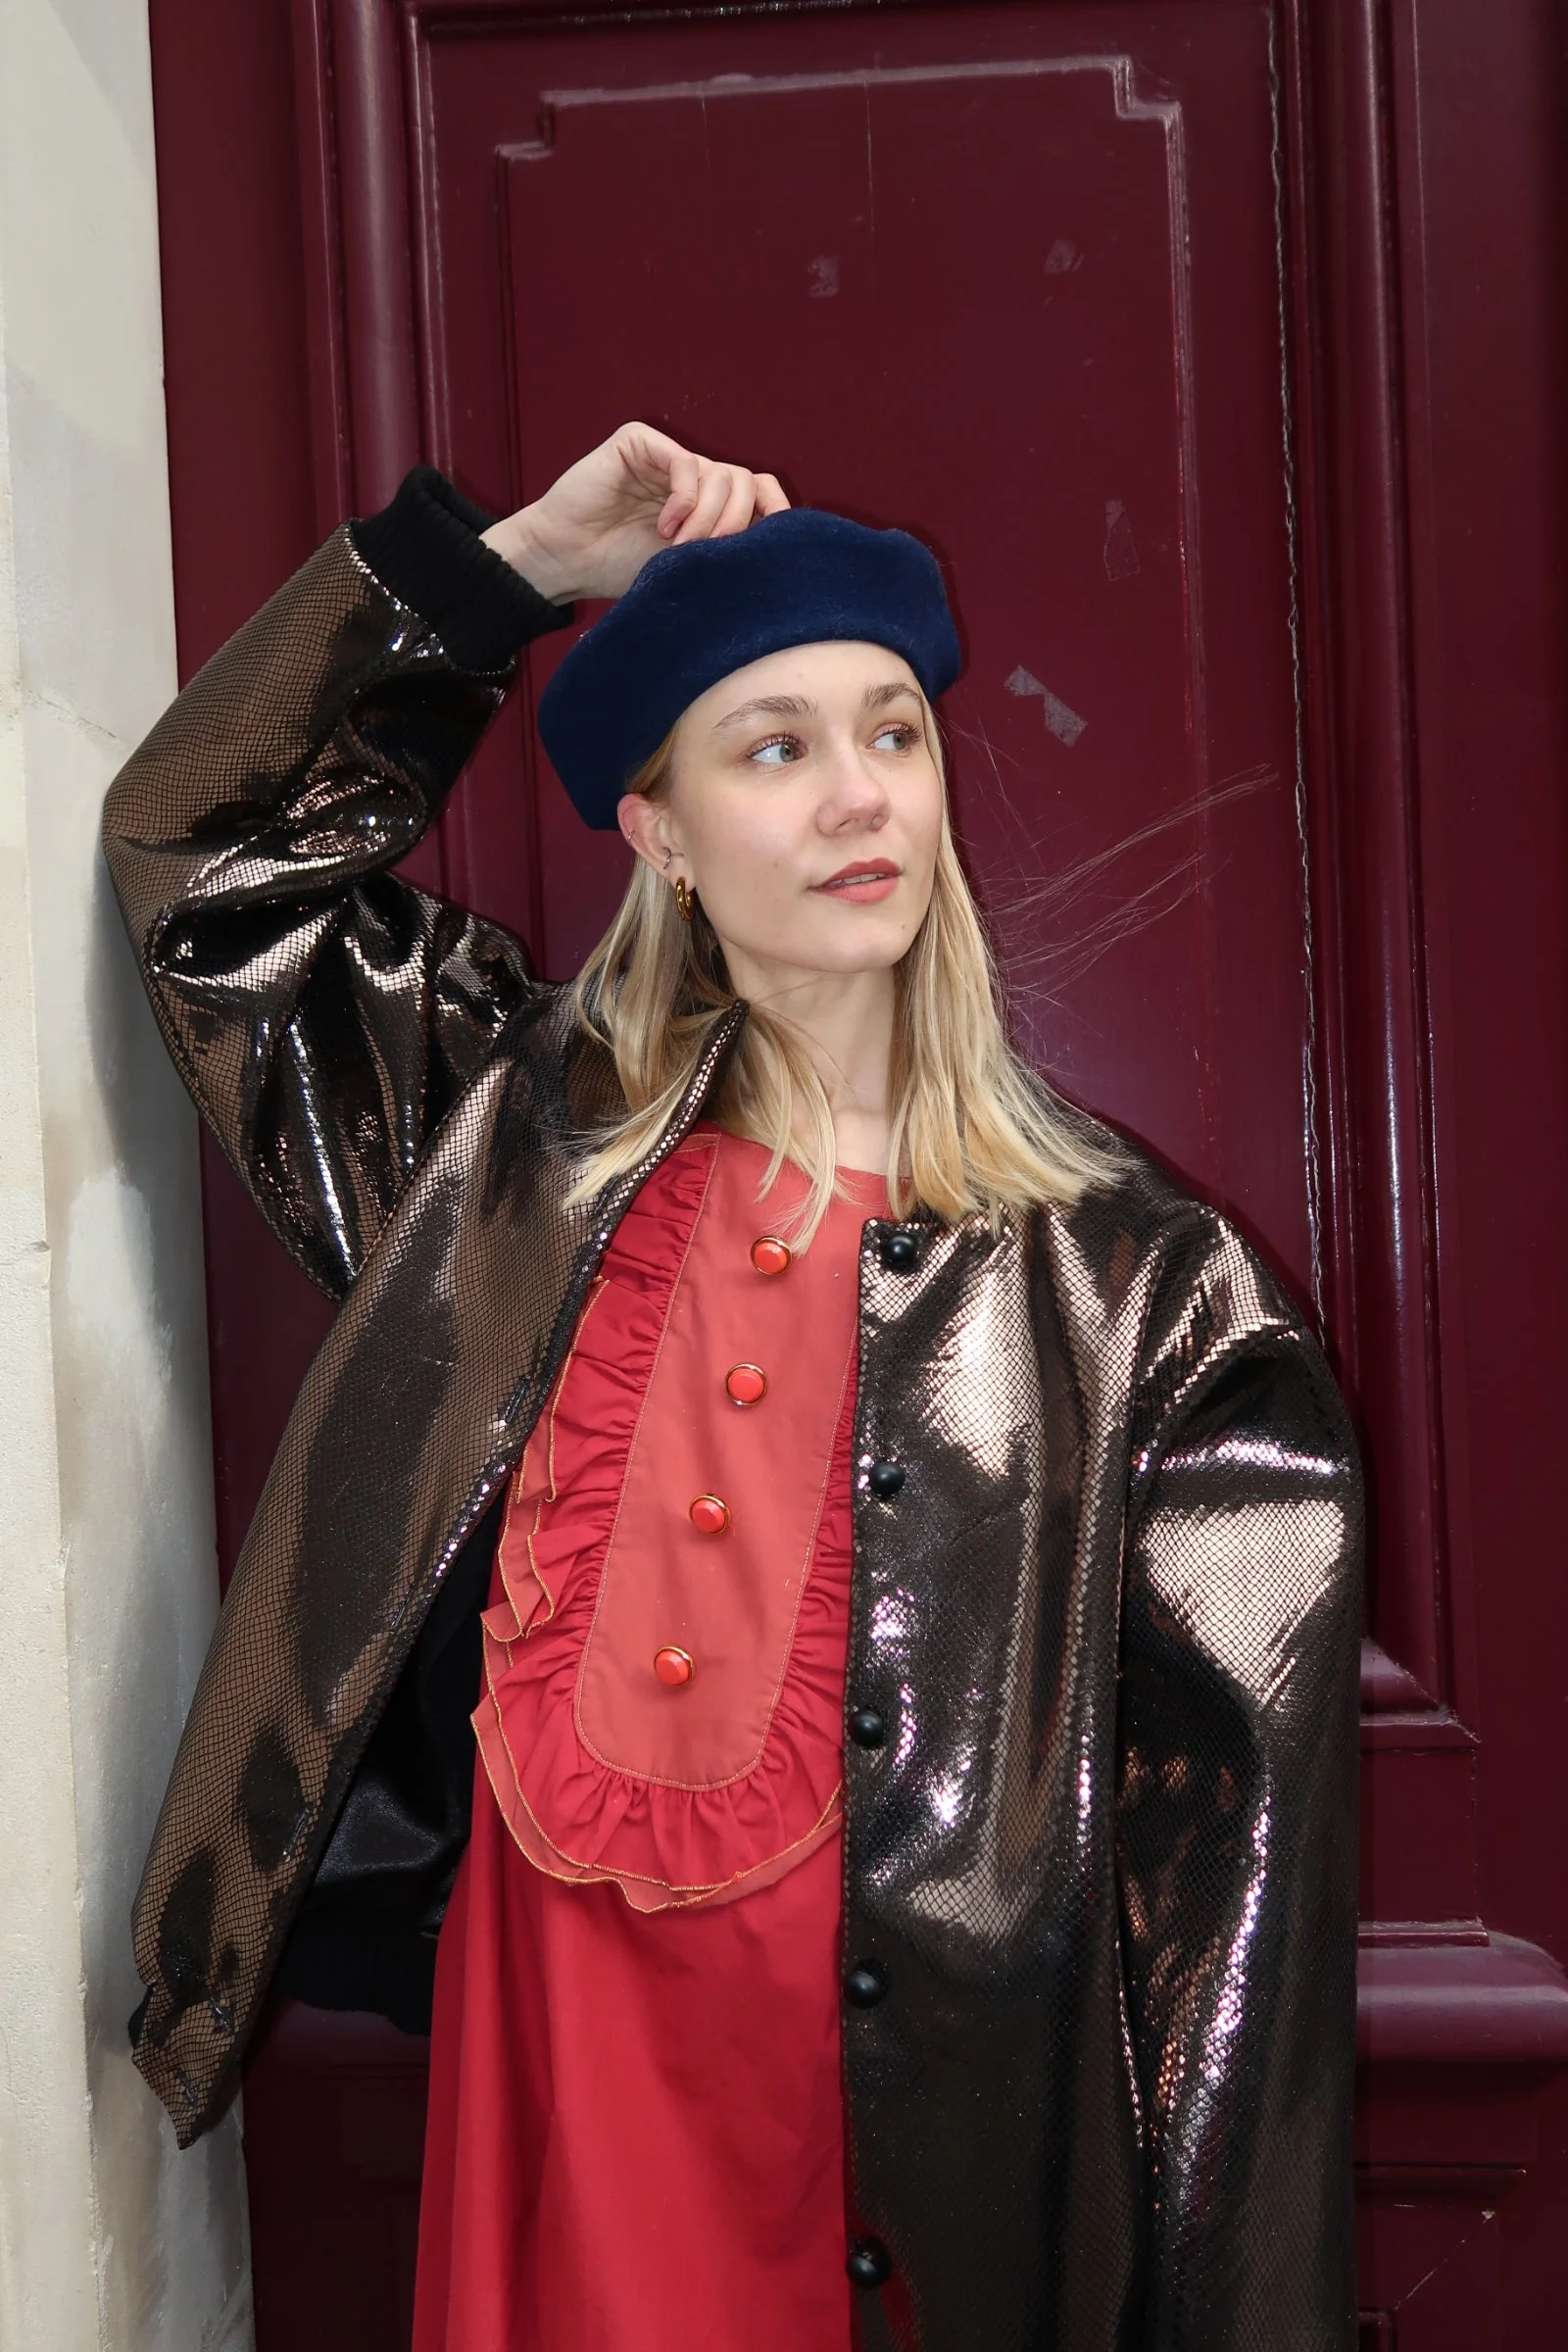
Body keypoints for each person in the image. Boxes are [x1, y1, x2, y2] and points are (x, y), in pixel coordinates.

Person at [105, 423, 1362, 2350]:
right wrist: (512, 568)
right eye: (772, 749)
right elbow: (202, 859)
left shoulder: (1152, 1294)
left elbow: (1232, 1938)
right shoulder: (500, 1151)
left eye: (893, 732)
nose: (859, 795)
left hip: (911, 2178)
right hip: (558, 2072)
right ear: (662, 836)